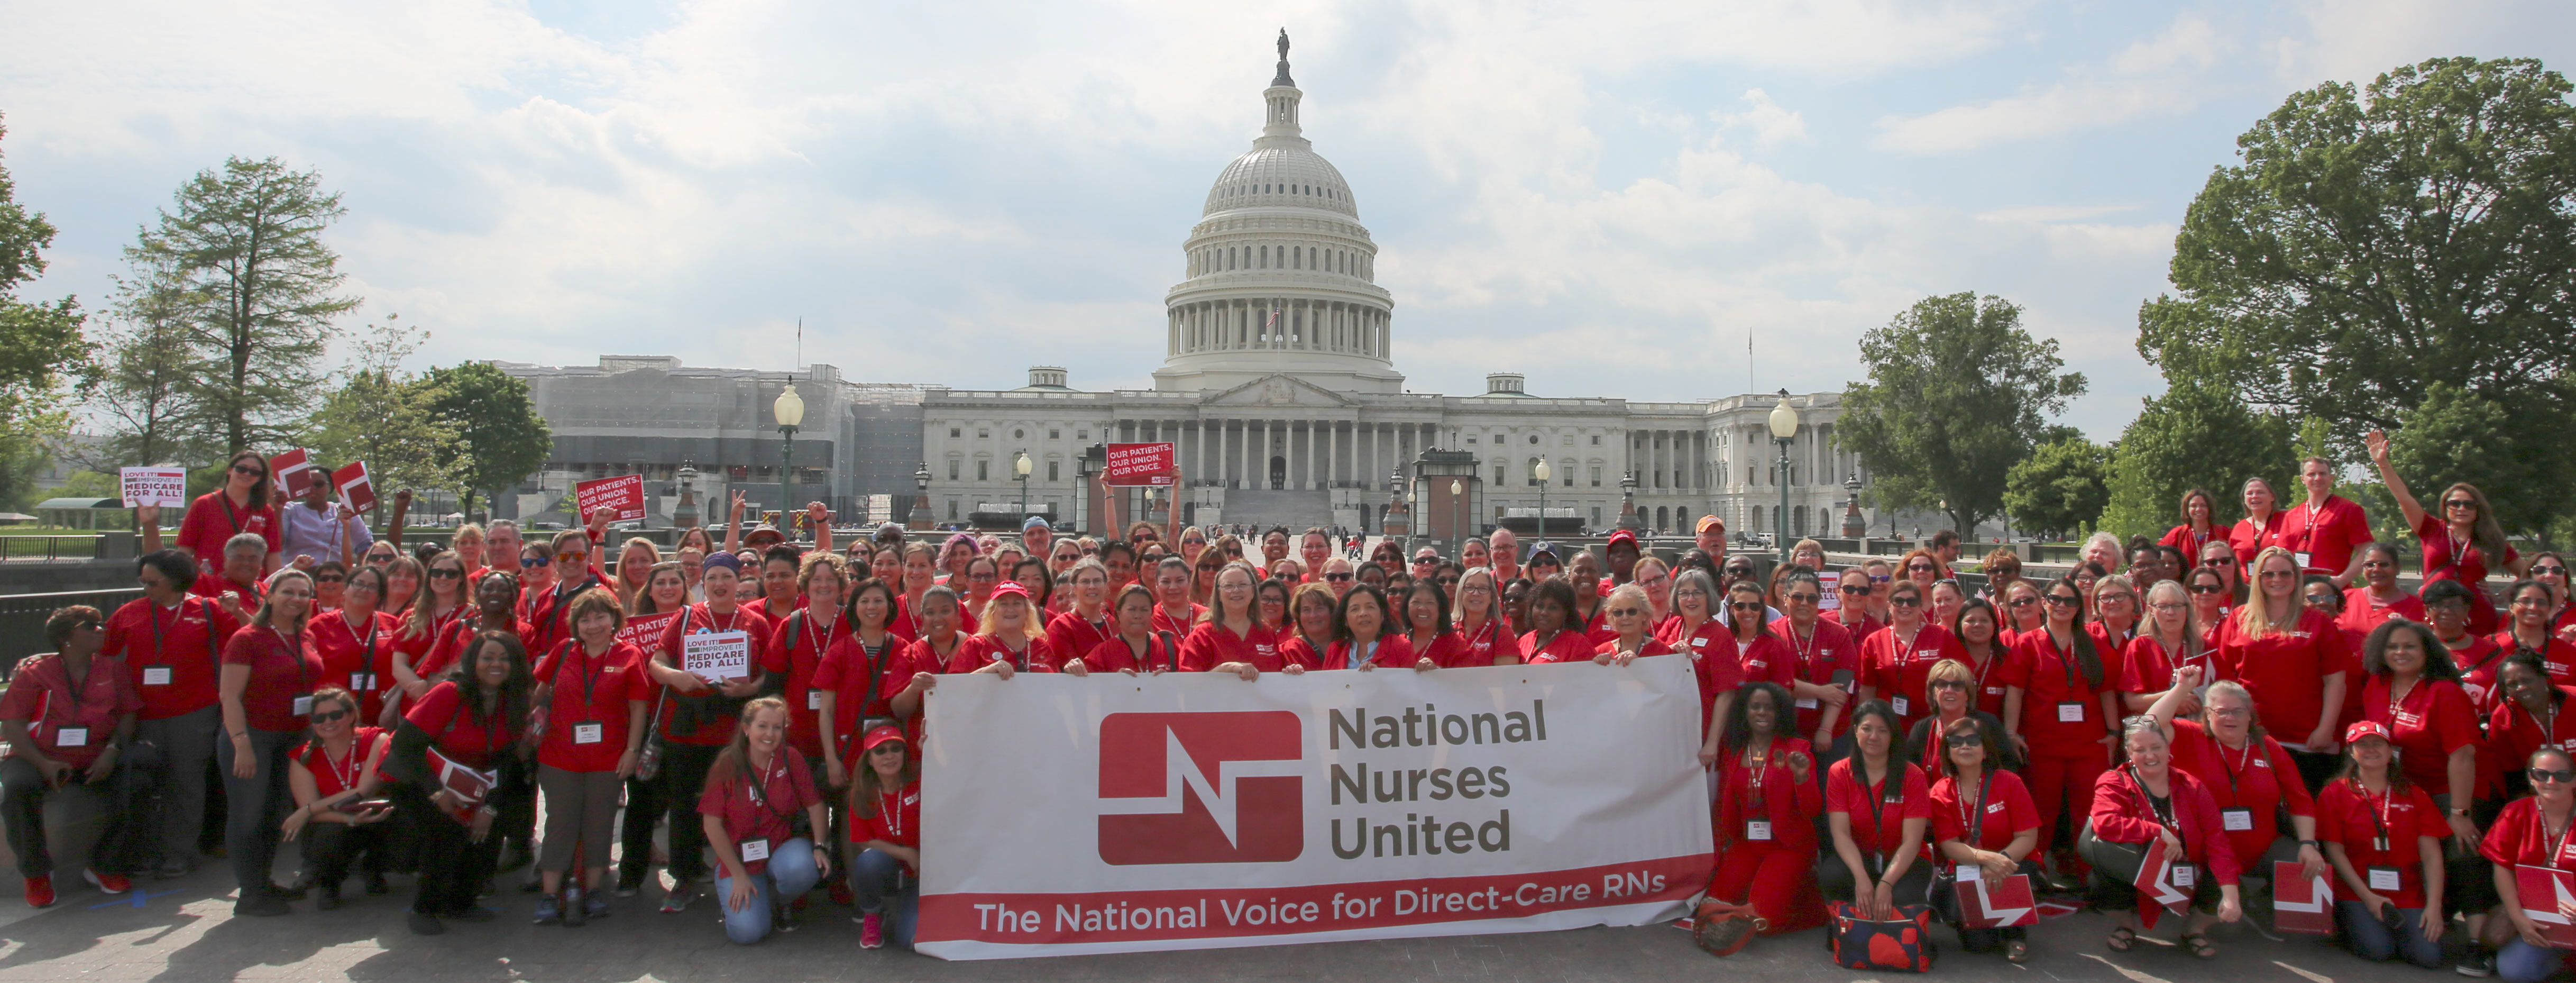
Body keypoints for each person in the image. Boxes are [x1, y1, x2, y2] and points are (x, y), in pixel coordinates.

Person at [641, 552, 777, 913]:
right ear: (703, 582)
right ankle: (684, 877)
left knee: (736, 804)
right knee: (685, 805)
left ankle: (740, 872)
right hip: (687, 727)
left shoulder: (755, 622)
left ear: (738, 581)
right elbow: (656, 663)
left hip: (733, 728)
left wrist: (749, 689)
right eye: (713, 577)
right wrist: (678, 678)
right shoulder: (686, 616)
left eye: (727, 578)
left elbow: (770, 673)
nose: (720, 585)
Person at [104, 549, 241, 879]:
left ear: (177, 581)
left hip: (194, 713)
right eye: (143, 581)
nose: (146, 587)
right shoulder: (128, 613)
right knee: (145, 783)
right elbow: (102, 656)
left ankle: (180, 852)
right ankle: (143, 851)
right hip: (142, 713)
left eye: (153, 581)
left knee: (186, 782)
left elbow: (241, 647)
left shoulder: (209, 611)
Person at [3, 606, 149, 908]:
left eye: (100, 624)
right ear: (65, 638)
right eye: (90, 625)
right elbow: (13, 724)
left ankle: (105, 865)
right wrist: (43, 764)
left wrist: (111, 752)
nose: (100, 629)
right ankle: (36, 873)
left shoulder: (113, 670)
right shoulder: (35, 673)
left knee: (140, 783)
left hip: (96, 755)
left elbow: (127, 716)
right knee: (17, 789)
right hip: (39, 756)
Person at [387, 629, 530, 934]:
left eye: (505, 659)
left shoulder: (514, 701)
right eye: (488, 657)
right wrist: (438, 793)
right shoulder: (448, 693)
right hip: (421, 779)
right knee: (448, 831)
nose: (496, 664)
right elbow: (404, 745)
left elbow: (506, 763)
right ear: (472, 660)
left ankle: (460, 902)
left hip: (473, 782)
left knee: (488, 831)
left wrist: (489, 810)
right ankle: (424, 908)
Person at [528, 588, 651, 926]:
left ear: (614, 619)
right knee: (560, 824)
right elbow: (537, 694)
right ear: (575, 624)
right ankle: (550, 893)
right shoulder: (563, 651)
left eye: (600, 617)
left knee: (599, 825)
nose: (593, 625)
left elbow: (638, 707)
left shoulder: (629, 655)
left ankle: (594, 889)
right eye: (585, 619)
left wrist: (631, 750)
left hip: (608, 757)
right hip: (559, 756)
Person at [2143, 670, 2324, 896]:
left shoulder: (2268, 747)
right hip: (2204, 852)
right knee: (2214, 905)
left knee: (2304, 865)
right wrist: (2182, 689)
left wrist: (2308, 844)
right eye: (2222, 712)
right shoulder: (2190, 736)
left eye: (2238, 711)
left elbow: (2300, 799)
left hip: (2262, 850)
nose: (2231, 718)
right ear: (2208, 714)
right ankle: (2204, 921)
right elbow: (2149, 728)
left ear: (2250, 715)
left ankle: (2275, 918)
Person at [2086, 717, 2246, 959]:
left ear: (2169, 749)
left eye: (2156, 747)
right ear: (2129, 752)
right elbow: (2105, 824)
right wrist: (2158, 831)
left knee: (2230, 883)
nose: (2150, 756)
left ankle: (2195, 930)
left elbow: (2217, 841)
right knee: (2099, 879)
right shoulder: (2113, 781)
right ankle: (2126, 926)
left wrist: (2231, 897)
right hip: (2136, 872)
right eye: (2140, 750)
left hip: (2189, 871)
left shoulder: (2192, 786)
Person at [217, 569, 327, 916]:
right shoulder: (247, 638)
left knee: (272, 814)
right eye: (288, 592)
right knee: (248, 815)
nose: (295, 599)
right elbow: (230, 696)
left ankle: (263, 883)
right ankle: (249, 894)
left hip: (292, 738)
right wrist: (241, 743)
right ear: (270, 595)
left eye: (302, 594)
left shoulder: (304, 635)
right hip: (253, 737)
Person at [2001, 575, 2117, 891]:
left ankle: (2089, 879)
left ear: (2080, 607)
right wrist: (2011, 734)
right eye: (2055, 599)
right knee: (2042, 813)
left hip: (2089, 743)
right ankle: (2035, 877)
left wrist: (2114, 733)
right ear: (2044, 602)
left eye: (2070, 601)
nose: (2062, 606)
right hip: (2043, 742)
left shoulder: (2094, 645)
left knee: (2089, 812)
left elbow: (2106, 692)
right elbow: (2015, 692)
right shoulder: (2028, 644)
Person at [1698, 682, 1825, 951]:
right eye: (1755, 707)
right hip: (1747, 844)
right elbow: (1727, 806)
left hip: (1788, 846)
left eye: (1770, 708)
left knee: (1763, 922)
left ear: (1781, 713)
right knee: (1711, 907)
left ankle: (1810, 902)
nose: (1762, 713)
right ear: (1744, 712)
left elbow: (1813, 809)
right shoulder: (1734, 751)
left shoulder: (1797, 749)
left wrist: (1802, 778)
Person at [2217, 547, 2354, 788]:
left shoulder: (2317, 621)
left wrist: (2326, 729)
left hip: (2307, 740)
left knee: (2308, 815)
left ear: (2296, 578)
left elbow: (2335, 681)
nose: (2277, 580)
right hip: (2253, 735)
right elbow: (2226, 680)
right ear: (2258, 578)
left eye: (2285, 574)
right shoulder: (2239, 618)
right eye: (2268, 574)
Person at [2315, 720, 2449, 968]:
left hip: (2407, 893)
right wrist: (2367, 897)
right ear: (2351, 753)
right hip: (2357, 892)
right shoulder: (2335, 793)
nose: (2371, 750)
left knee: (2429, 957)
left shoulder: (2415, 794)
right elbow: (2334, 851)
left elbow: (2432, 856)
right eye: (2362, 745)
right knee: (2378, 950)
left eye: (2378, 744)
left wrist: (2434, 907)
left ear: (2390, 752)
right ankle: (2346, 925)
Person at [2370, 429, 2525, 634]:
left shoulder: (2489, 539)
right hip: (2434, 612)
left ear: (2478, 510)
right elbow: (2404, 498)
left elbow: (2528, 571)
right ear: (2446, 506)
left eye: (2469, 505)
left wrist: (2503, 595)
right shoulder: (2432, 528)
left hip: (2477, 614)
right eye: (2455, 504)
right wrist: (2383, 463)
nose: (2461, 509)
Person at [1929, 713, 2040, 962]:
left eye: (1973, 740)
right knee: (1979, 946)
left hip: (2013, 862)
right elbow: (1949, 846)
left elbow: (2027, 836)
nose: (1965, 746)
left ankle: (2015, 933)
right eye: (1956, 742)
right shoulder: (1940, 792)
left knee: (2016, 870)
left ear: (1986, 749)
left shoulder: (2010, 782)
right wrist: (1988, 860)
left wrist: (2002, 861)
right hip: (1970, 865)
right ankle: (1984, 923)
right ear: (1948, 752)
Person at [277, 687, 392, 909]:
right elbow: (317, 815)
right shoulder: (302, 756)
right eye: (319, 717)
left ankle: (372, 867)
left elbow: (365, 790)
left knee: (402, 835)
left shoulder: (377, 738)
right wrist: (349, 820)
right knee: (328, 835)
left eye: (336, 715)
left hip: (377, 813)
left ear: (351, 716)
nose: (328, 722)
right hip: (337, 820)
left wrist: (307, 810)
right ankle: (330, 884)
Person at [2470, 746, 2576, 981]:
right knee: (2515, 971)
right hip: (2535, 918)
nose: (2551, 781)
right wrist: (2518, 917)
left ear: (2574, 780)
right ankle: (2561, 965)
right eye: (2541, 774)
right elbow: (2502, 868)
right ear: (2531, 778)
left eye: (2562, 775)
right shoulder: (2516, 812)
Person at [1824, 701, 1932, 922]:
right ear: (1855, 731)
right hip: (1862, 859)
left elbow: (1912, 842)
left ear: (1893, 735)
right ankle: (1847, 929)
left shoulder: (1913, 776)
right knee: (1832, 875)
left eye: (1883, 730)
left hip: (1905, 860)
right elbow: (1841, 835)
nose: (1874, 736)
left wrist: (1886, 884)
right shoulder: (1840, 772)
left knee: (1901, 899)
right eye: (1867, 728)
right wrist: (1862, 878)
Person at [847, 724, 919, 950]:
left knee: (909, 940)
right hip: (889, 867)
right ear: (869, 760)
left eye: (895, 749)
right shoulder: (862, 793)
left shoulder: (920, 781)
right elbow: (862, 840)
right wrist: (905, 853)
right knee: (868, 861)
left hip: (920, 873)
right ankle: (873, 914)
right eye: (880, 751)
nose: (889, 756)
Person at [1859, 579, 1960, 739]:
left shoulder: (1942, 635)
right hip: (1887, 725)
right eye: (1899, 601)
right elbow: (1868, 688)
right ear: (1889, 606)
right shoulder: (1874, 640)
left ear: (1920, 606)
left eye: (1912, 601)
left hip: (1933, 724)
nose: (1905, 606)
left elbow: (1962, 680)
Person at [178, 450, 283, 576]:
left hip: (250, 586)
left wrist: (272, 589)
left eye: (255, 472)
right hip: (210, 583)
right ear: (229, 470)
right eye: (241, 469)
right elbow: (185, 549)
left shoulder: (266, 511)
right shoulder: (204, 504)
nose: (248, 474)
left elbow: (273, 554)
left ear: (260, 478)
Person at [1180, 563, 1294, 677]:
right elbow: (1189, 686)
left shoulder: (1266, 632)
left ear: (1253, 591)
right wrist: (1225, 670)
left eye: (1243, 585)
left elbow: (1276, 677)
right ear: (1218, 593)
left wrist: (1291, 673)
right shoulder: (1201, 636)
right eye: (1228, 586)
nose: (1236, 590)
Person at [1905, 658, 2012, 771]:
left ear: (1968, 694)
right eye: (1942, 685)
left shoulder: (1988, 724)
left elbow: (2007, 767)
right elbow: (1909, 775)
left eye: (1957, 686)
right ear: (1933, 693)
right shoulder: (1922, 729)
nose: (1949, 690)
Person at [2121, 581, 2208, 715]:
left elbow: (2222, 690)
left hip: (2197, 727)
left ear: (2186, 608)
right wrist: (2176, 698)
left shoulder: (2202, 645)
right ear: (2151, 610)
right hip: (2156, 729)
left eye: (2177, 606)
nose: (2171, 612)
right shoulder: (2140, 646)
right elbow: (2132, 702)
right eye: (2163, 606)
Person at [2280, 457, 2372, 584]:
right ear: (2303, 479)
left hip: (2332, 589)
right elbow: (2283, 554)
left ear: (2331, 478)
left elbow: (2366, 551)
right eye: (2312, 474)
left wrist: (2342, 580)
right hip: (2298, 590)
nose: (2318, 478)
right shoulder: (2291, 515)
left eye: (2323, 473)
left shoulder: (2349, 510)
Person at [280, 465, 371, 571]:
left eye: (318, 484)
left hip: (333, 578)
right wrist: (278, 511)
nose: (312, 489)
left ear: (331, 487)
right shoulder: (289, 510)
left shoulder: (345, 511)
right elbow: (278, 544)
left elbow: (366, 546)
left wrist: (358, 574)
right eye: (307, 485)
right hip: (296, 576)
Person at [1321, 583, 1418, 671]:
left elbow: (1409, 687)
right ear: (1346, 620)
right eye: (1355, 609)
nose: (1363, 613)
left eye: (1370, 607)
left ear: (1382, 615)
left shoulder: (1401, 647)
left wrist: (1380, 676)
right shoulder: (1335, 649)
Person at [2498, 579, 2576, 685]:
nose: (2533, 607)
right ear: (2511, 607)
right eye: (2525, 601)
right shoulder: (2491, 646)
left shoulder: (2569, 653)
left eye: (2541, 603)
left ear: (2549, 609)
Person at [2343, 543, 2425, 635]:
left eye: (2384, 565)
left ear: (2398, 568)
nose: (2376, 569)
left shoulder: (2417, 607)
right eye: (2370, 565)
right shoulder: (2345, 599)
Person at [1450, 567, 1520, 667]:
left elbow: (1506, 680)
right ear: (1461, 593)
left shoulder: (1503, 634)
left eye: (1483, 589)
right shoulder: (1449, 630)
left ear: (1491, 597)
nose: (1476, 593)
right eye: (1469, 588)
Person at [1518, 579, 1597, 666]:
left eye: (1553, 608)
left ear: (1566, 612)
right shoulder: (1525, 640)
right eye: (1540, 606)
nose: (1544, 612)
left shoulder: (1578, 643)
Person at [2230, 477, 2287, 580]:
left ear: (2272, 497)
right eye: (2250, 493)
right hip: (2247, 589)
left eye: (2260, 492)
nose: (2255, 496)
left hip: (2279, 584)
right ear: (2244, 499)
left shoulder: (2287, 519)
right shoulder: (2239, 528)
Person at [2161, 488, 2223, 568]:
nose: (2198, 509)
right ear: (2187, 509)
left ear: (2209, 508)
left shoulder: (2223, 532)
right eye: (2194, 506)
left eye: (2203, 505)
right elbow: (2158, 554)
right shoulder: (2178, 533)